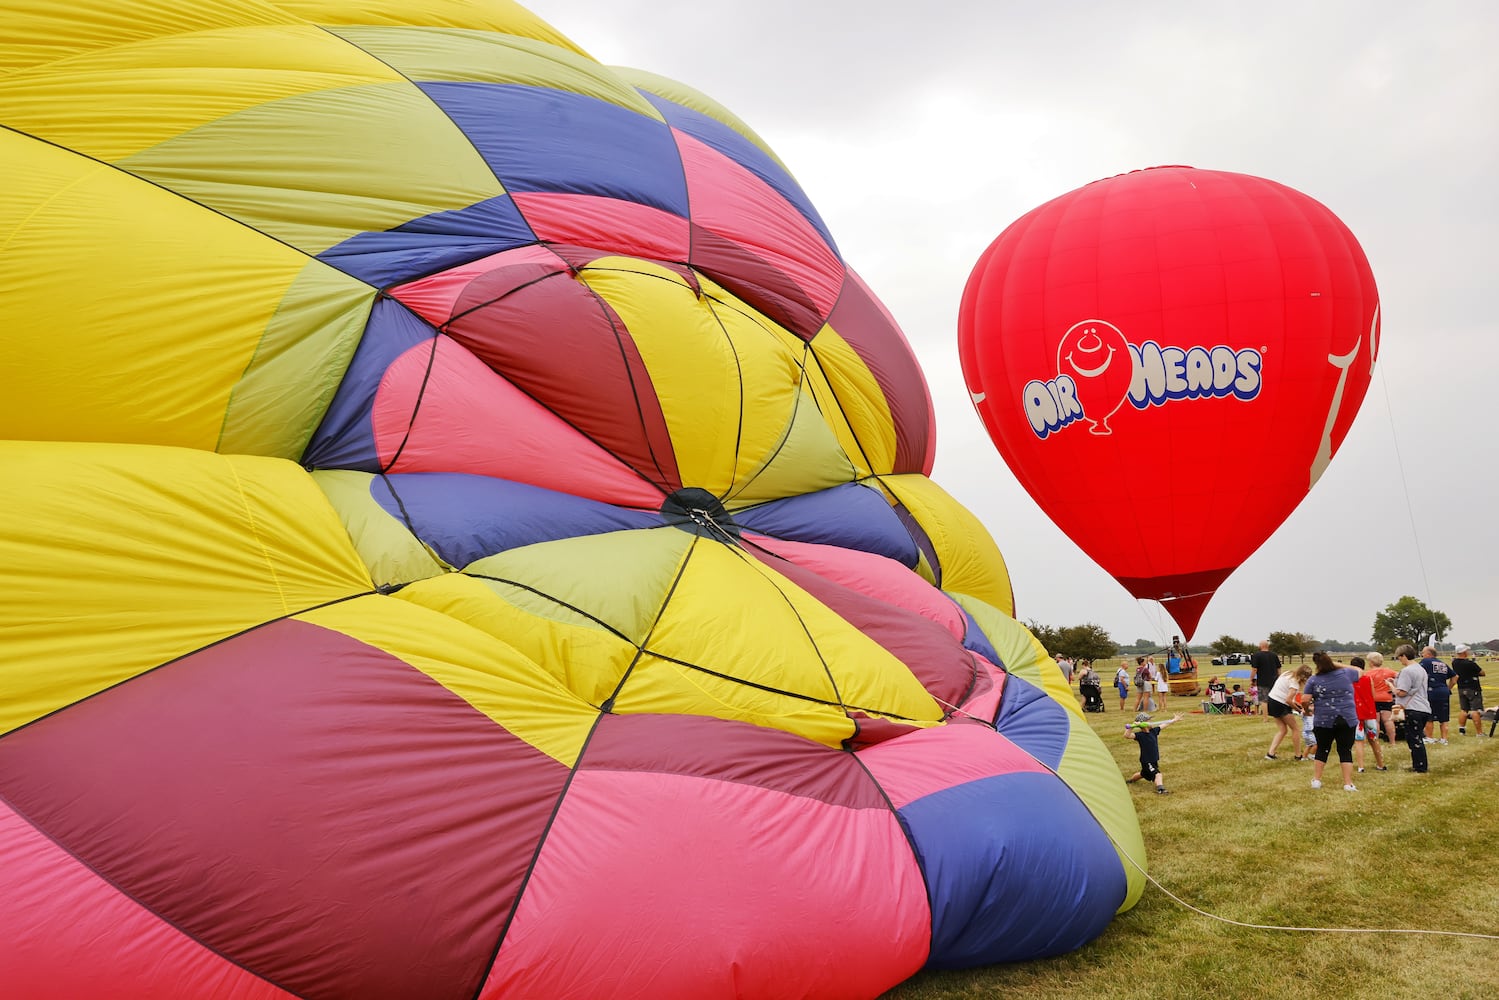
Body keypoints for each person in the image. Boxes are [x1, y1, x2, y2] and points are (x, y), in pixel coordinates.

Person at [1301, 651, 1362, 791]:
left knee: (1322, 749)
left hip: (1323, 719)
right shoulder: (1346, 674)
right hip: (1347, 718)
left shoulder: (1314, 680)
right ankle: (1348, 783)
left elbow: (1304, 699)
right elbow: (1359, 670)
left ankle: (1316, 780)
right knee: (1345, 750)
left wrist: (1307, 710)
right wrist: (1336, 664)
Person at [1125, 710, 1184, 794]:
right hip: (1147, 761)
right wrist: (1132, 726)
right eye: (1149, 721)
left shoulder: (1154, 731)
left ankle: (1131, 781)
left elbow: (1164, 725)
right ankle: (1161, 789)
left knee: (1143, 774)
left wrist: (1174, 720)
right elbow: (1127, 736)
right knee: (1157, 774)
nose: (1151, 722)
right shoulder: (1140, 735)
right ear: (1143, 724)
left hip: (1153, 759)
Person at [1393, 644, 1432, 773]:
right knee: (1417, 738)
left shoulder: (1407, 671)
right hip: (1423, 707)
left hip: (1412, 708)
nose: (1400, 660)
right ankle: (1419, 764)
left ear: (1404, 656)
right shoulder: (1421, 669)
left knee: (1414, 739)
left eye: (1399, 658)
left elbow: (1402, 692)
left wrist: (1391, 686)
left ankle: (1420, 766)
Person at [1265, 662, 1313, 760]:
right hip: (1281, 704)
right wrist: (1299, 710)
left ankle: (1270, 753)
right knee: (1295, 729)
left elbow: (1290, 698)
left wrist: (1298, 706)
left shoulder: (1287, 674)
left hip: (1271, 700)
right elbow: (1288, 700)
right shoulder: (1294, 683)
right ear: (1304, 677)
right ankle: (1298, 755)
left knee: (1283, 730)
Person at [1350, 656, 1386, 773]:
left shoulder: (1350, 680)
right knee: (1373, 739)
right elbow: (1373, 695)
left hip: (1356, 713)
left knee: (1359, 740)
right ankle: (1381, 764)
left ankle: (1361, 766)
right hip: (1369, 713)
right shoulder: (1368, 678)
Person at [1420, 646, 1455, 744]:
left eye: (1423, 653)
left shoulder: (1425, 662)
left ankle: (1429, 737)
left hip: (1431, 691)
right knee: (1444, 717)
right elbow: (1455, 676)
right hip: (1443, 691)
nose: (1422, 655)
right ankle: (1444, 739)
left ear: (1428, 654)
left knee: (1429, 716)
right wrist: (1448, 688)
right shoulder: (1442, 663)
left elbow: (1417, 672)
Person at [1364, 651, 1399, 745]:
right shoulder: (1388, 671)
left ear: (1371, 662)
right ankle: (1392, 742)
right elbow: (1400, 676)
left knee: (1376, 721)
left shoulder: (1368, 674)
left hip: (1373, 698)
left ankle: (1376, 741)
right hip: (1387, 698)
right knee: (1388, 720)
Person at [1451, 644, 1486, 736]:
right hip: (1472, 688)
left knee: (1464, 709)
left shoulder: (1455, 663)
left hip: (1461, 688)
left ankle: (1462, 730)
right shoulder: (1470, 664)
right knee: (1475, 710)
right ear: (1464, 652)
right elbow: (1482, 673)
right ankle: (1479, 733)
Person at [1250, 639, 1281, 717]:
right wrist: (1279, 678)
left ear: (1260, 646)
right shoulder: (1274, 655)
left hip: (1262, 680)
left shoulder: (1257, 655)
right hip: (1274, 680)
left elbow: (1254, 669)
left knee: (1264, 700)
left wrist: (1251, 678)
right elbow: (1279, 668)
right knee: (1274, 698)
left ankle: (1265, 717)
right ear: (1268, 646)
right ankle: (1276, 715)